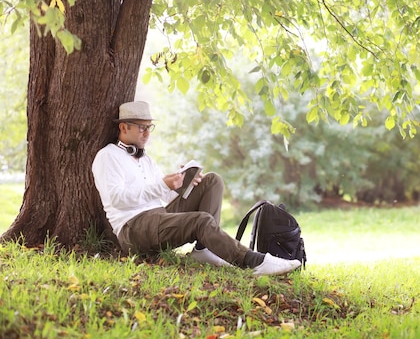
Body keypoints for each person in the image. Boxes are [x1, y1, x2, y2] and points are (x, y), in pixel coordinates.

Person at [91, 100, 301, 276]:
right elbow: (117, 199)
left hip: (158, 216)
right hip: (133, 228)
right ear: (123, 127)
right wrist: (161, 184)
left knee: (212, 180)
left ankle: (204, 250)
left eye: (149, 127)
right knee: (201, 220)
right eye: (141, 127)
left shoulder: (145, 159)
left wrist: (182, 181)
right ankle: (253, 262)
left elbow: (162, 194)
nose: (147, 133)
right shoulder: (107, 157)